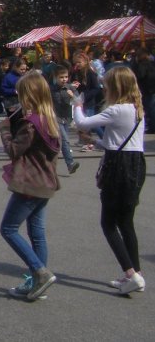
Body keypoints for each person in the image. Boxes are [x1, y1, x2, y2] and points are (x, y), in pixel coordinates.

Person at [73, 66, 147, 294]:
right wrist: (97, 143)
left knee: (108, 223)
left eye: (107, 85)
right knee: (126, 221)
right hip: (135, 163)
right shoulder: (136, 108)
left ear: (116, 87)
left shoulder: (117, 110)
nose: (104, 88)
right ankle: (136, 274)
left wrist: (77, 104)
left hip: (118, 167)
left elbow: (82, 123)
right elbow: (120, 141)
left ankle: (130, 274)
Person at [0, 71, 60, 301]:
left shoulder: (31, 124)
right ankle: (37, 282)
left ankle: (40, 272)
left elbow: (14, 150)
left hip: (30, 183)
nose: (19, 99)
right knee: (37, 233)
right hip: (46, 182)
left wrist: (5, 130)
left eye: (21, 94)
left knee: (8, 229)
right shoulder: (49, 118)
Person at [48, 66, 80, 175]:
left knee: (58, 143)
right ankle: (70, 164)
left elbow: (79, 102)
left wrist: (73, 96)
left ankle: (47, 164)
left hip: (66, 118)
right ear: (55, 77)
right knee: (65, 140)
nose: (64, 79)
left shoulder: (71, 88)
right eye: (61, 77)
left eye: (66, 77)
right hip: (55, 118)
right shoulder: (51, 89)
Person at [71, 51, 102, 149]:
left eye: (79, 62)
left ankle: (103, 137)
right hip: (80, 101)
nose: (77, 64)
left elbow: (96, 88)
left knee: (91, 122)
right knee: (82, 122)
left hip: (88, 101)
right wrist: (75, 85)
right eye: (76, 62)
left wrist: (86, 95)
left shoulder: (90, 73)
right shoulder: (76, 72)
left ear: (85, 62)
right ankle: (85, 141)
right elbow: (75, 84)